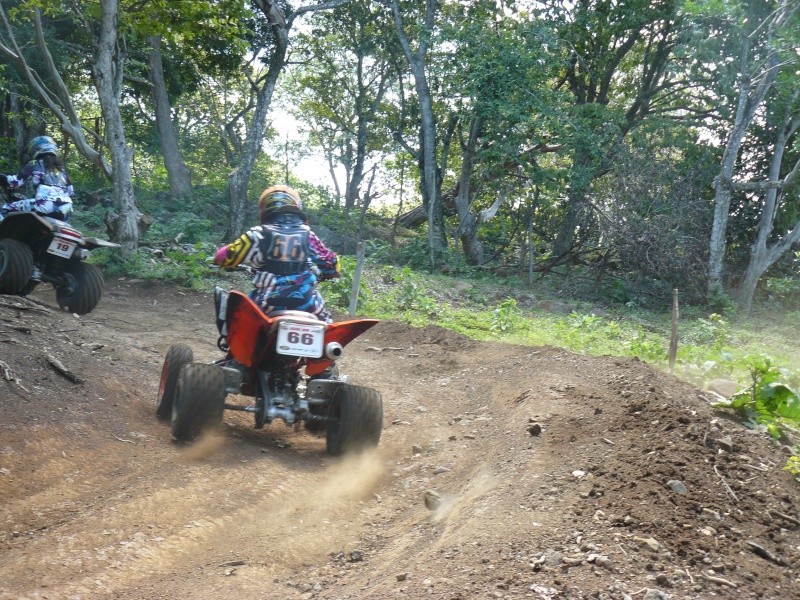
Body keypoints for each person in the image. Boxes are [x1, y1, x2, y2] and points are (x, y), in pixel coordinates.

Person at [213, 185, 339, 322]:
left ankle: (229, 342)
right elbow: (330, 263)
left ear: (264, 209)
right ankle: (329, 343)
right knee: (327, 327)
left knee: (238, 320)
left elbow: (225, 258)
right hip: (307, 301)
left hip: (266, 301)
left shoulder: (257, 233)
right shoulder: (308, 234)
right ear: (296, 206)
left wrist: (221, 255)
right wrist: (330, 271)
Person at [0, 135, 74, 222]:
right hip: (66, 210)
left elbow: (15, 182)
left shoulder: (34, 163)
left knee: (4, 209)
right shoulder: (61, 170)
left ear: (35, 149)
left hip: (44, 206)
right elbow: (71, 191)